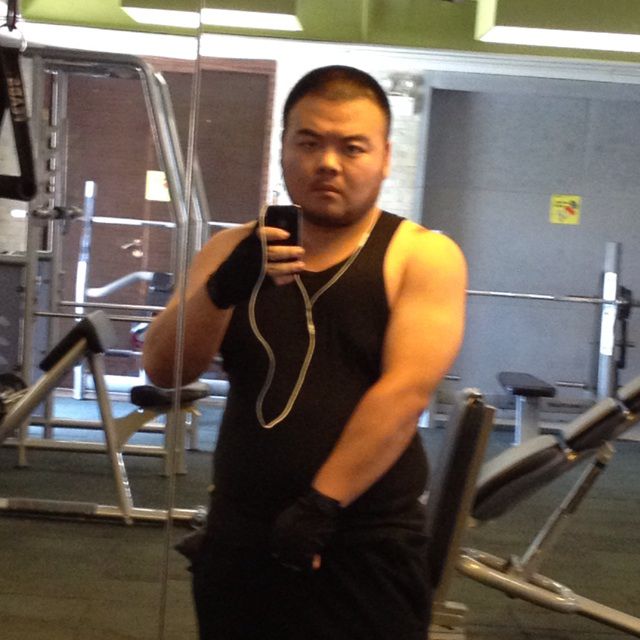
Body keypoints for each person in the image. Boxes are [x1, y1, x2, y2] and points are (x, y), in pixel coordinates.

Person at [143, 65, 467, 640]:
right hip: (240, 534)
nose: (328, 163)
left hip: (362, 540)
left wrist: (322, 504)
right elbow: (164, 370)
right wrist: (220, 290)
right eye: (310, 143)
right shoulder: (229, 248)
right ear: (284, 149)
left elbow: (403, 396)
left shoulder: (421, 256)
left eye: (352, 147)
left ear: (385, 158)